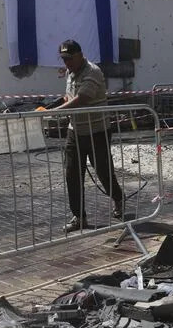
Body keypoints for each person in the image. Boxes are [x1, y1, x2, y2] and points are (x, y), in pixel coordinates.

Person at [51, 40, 125, 232]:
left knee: (103, 172)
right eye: (63, 59)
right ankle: (79, 216)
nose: (66, 63)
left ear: (80, 55)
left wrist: (57, 111)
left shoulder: (92, 71)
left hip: (97, 131)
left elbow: (83, 98)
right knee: (72, 174)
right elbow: (70, 97)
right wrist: (54, 106)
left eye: (69, 59)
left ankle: (118, 198)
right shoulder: (70, 73)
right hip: (75, 131)